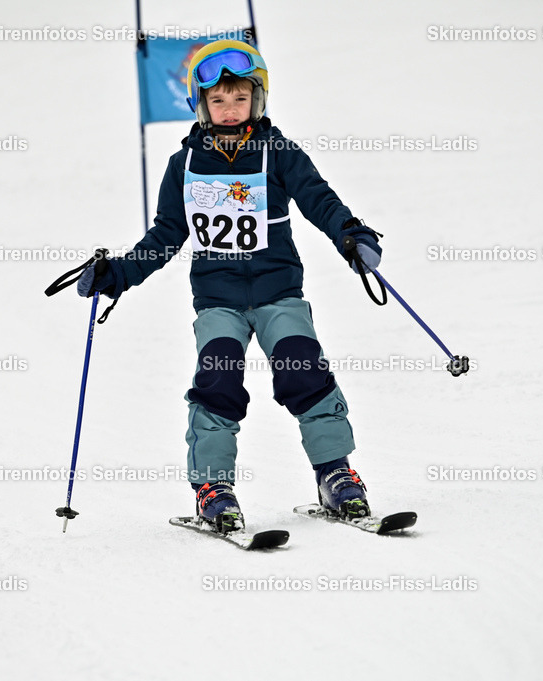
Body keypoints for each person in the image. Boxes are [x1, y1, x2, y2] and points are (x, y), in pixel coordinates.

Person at [77, 39, 383, 534]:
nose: (230, 108)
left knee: (303, 369)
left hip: (279, 291)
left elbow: (318, 199)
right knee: (218, 381)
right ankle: (213, 489)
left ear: (257, 99)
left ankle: (335, 473)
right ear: (200, 105)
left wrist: (350, 234)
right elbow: (166, 234)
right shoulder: (184, 164)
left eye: (240, 98)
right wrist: (119, 274)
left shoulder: (278, 152)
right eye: (218, 100)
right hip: (218, 300)